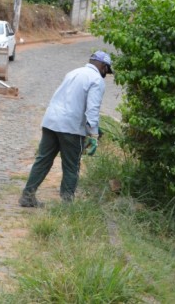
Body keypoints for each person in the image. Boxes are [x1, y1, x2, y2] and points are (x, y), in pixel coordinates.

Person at [18, 50, 113, 207]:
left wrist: (93, 128)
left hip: (51, 122)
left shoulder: (73, 72)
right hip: (71, 128)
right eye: (107, 71)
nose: (106, 74)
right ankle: (67, 205)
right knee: (71, 166)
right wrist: (94, 135)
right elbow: (92, 110)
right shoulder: (97, 80)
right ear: (103, 66)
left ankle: (27, 196)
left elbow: (70, 100)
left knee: (43, 160)